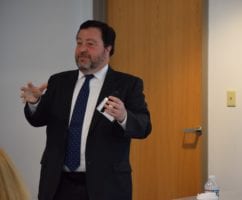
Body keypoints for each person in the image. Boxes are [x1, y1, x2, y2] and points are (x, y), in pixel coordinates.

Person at [20, 20, 151, 200]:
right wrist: (35, 103)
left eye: (90, 44)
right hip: (58, 183)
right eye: (79, 42)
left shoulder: (128, 84)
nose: (82, 49)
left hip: (106, 185)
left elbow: (143, 127)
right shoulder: (59, 82)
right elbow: (38, 120)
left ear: (108, 49)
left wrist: (123, 116)